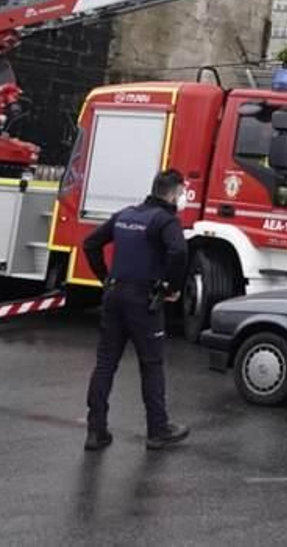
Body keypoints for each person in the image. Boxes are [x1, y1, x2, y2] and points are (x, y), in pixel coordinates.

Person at [82, 168, 191, 452]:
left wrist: (104, 278)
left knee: (106, 363)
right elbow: (178, 253)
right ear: (173, 193)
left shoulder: (126, 215)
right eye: (181, 193)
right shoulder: (166, 221)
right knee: (151, 364)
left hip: (115, 295)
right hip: (144, 300)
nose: (182, 198)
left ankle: (96, 432)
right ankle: (158, 430)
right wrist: (171, 287)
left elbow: (91, 243)